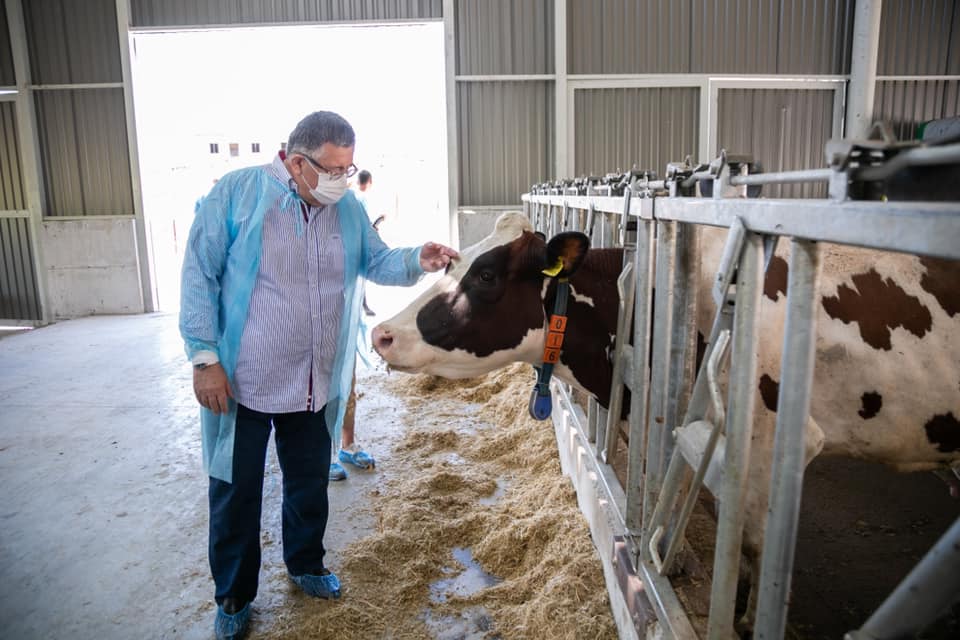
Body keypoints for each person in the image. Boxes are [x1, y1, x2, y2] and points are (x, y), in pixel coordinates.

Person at [179, 110, 458, 640]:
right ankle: (234, 594)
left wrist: (416, 260)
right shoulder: (238, 194)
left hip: (312, 380)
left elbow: (376, 260)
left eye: (348, 169)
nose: (341, 180)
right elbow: (199, 274)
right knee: (236, 491)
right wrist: (204, 358)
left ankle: (306, 563)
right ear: (295, 162)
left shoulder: (346, 208)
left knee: (309, 483)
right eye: (332, 170)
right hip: (243, 380)